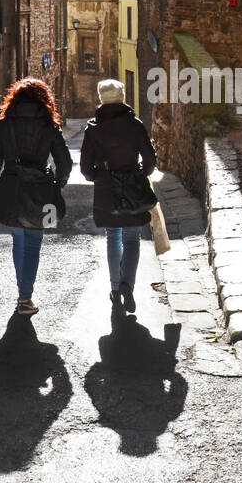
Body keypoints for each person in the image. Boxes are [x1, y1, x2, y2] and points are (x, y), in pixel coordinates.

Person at [0, 78, 72, 316]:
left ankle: (23, 295)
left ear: (14, 100)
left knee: (18, 239)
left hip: (12, 189)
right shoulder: (49, 126)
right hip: (40, 190)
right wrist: (58, 185)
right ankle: (25, 297)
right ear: (44, 101)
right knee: (33, 244)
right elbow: (65, 161)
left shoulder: (4, 126)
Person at [80, 78, 156, 313]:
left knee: (113, 237)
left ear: (101, 99)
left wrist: (100, 177)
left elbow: (85, 168)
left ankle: (115, 288)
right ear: (122, 97)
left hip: (106, 190)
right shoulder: (135, 124)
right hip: (132, 187)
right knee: (132, 238)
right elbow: (150, 159)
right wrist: (140, 174)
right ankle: (127, 285)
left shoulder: (93, 129)